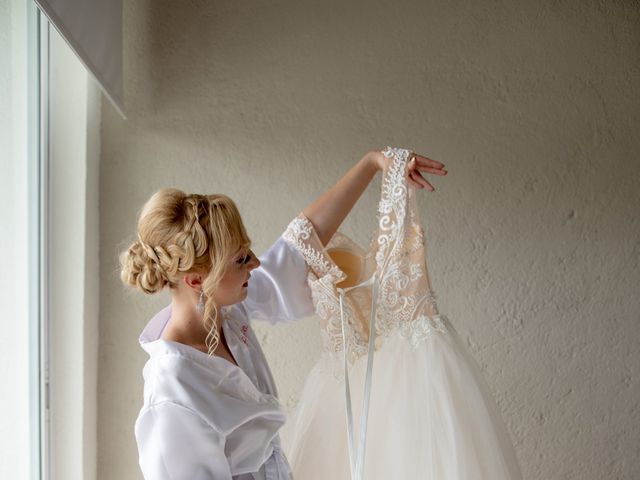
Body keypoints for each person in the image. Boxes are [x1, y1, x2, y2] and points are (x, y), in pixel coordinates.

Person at [119, 147, 446, 479]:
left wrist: (372, 164)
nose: (256, 263)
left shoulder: (229, 316)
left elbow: (301, 246)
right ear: (196, 280)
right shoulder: (174, 390)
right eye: (241, 259)